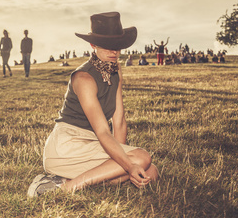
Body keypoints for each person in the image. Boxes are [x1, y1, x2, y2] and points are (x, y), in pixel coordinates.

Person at [27, 12, 159, 197]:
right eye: (108, 46)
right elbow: (103, 131)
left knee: (151, 171)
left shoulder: (116, 69)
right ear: (93, 45)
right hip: (67, 146)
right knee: (142, 158)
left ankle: (61, 181)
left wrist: (118, 163)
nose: (115, 52)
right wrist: (128, 165)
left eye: (118, 46)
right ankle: (65, 188)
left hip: (93, 143)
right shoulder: (84, 78)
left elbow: (119, 120)